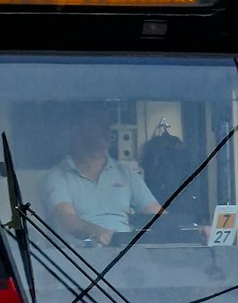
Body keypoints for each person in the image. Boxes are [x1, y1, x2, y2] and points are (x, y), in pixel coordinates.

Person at [42, 103, 160, 246]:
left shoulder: (125, 173)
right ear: (76, 130)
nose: (106, 130)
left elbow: (157, 216)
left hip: (127, 253)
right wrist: (98, 232)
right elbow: (66, 220)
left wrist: (186, 231)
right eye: (97, 124)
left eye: (107, 124)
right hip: (80, 259)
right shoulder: (57, 176)